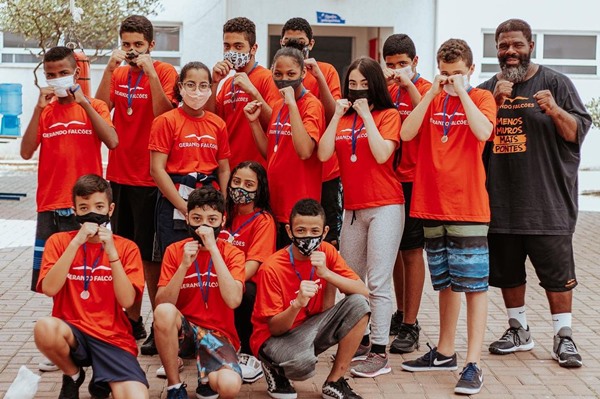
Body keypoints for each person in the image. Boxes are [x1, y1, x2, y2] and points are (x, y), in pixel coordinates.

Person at [479, 19, 591, 368]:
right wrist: (494, 103)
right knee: (509, 274)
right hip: (501, 203)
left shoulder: (556, 83)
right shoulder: (487, 89)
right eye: (502, 46)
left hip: (548, 203)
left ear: (530, 45)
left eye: (516, 45)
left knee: (557, 277)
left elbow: (576, 133)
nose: (510, 52)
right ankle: (518, 329)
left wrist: (555, 110)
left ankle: (564, 336)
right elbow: (473, 141)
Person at [399, 39, 495, 395]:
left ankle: (473, 362)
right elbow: (406, 132)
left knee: (474, 286)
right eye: (445, 72)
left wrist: (462, 93)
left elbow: (484, 132)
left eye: (458, 73)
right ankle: (444, 351)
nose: (451, 79)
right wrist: (430, 94)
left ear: (471, 70)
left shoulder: (482, 98)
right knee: (446, 284)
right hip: (431, 204)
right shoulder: (432, 97)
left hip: (467, 206)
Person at [95, 15, 179, 346]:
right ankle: (133, 320)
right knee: (123, 251)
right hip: (118, 176)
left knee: (149, 258)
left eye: (138, 45)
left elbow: (163, 114)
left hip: (148, 178)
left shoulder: (165, 72)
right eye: (127, 44)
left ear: (151, 46)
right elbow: (101, 107)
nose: (131, 51)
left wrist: (150, 73)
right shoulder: (117, 73)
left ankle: (160, 327)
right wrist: (107, 69)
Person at [318, 56, 404, 378]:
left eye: (364, 84)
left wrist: (367, 115)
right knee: (352, 280)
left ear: (375, 85)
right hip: (353, 210)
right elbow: (324, 154)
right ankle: (363, 340)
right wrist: (337, 115)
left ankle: (381, 351)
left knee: (378, 281)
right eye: (352, 84)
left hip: (385, 206)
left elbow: (383, 154)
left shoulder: (389, 115)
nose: (357, 90)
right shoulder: (343, 117)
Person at [33, 174, 148, 399]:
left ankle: (101, 379)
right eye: (83, 207)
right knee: (44, 328)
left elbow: (127, 301)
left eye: (98, 206)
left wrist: (112, 253)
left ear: (110, 209)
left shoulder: (127, 248)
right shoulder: (59, 242)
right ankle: (73, 374)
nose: (91, 212)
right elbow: (49, 288)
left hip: (112, 337)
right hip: (73, 333)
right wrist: (76, 242)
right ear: (74, 211)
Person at [21, 46, 118, 294]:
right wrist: (37, 109)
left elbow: (112, 141)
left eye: (63, 72)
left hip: (88, 206)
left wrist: (84, 104)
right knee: (53, 278)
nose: (56, 79)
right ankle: (63, 325)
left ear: (76, 73)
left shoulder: (95, 106)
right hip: (51, 204)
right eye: (50, 75)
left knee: (88, 274)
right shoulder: (46, 111)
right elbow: (25, 151)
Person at [251, 199, 370, 399]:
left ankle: (335, 381)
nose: (308, 237)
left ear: (324, 232)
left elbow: (362, 291)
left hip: (310, 327)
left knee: (359, 304)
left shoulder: (327, 252)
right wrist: (297, 304)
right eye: (301, 231)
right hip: (273, 339)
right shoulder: (271, 268)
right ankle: (273, 366)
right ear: (289, 232)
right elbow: (274, 328)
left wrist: (327, 274)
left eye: (315, 232)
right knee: (301, 367)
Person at [153, 186, 245, 399]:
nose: (204, 225)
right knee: (165, 312)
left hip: (218, 334)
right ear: (187, 219)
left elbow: (233, 300)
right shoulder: (175, 251)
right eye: (197, 218)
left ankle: (206, 379)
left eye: (212, 219)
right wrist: (184, 266)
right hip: (185, 330)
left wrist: (213, 249)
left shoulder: (232, 253)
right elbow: (160, 304)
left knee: (230, 387)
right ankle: (174, 386)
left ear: (222, 221)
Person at [149, 61, 231, 260]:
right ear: (180, 87)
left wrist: (224, 204)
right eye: (191, 85)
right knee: (176, 257)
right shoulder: (165, 121)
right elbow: (157, 170)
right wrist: (183, 207)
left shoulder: (217, 123)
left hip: (210, 200)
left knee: (208, 258)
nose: (197, 91)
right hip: (175, 198)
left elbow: (223, 169)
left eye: (203, 85)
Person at [244, 47, 324, 248]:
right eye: (278, 74)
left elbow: (305, 151)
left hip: (299, 207)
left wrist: (293, 106)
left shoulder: (311, 105)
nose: (284, 79)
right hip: (275, 203)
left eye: (291, 74)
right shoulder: (279, 105)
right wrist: (254, 123)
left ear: (303, 74)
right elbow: (270, 153)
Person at [381, 33, 431, 354]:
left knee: (413, 252)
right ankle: (399, 315)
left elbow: (424, 120)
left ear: (414, 62)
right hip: (387, 179)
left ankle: (411, 324)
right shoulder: (384, 88)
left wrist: (407, 84)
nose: (397, 70)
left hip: (415, 179)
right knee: (395, 252)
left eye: (402, 64)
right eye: (390, 65)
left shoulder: (425, 88)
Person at [280, 17, 343, 249]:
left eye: (300, 42)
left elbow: (334, 112)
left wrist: (318, 77)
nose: (294, 46)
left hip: (326, 169)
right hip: (294, 170)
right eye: (288, 42)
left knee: (327, 238)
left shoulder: (325, 70)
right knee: (293, 234)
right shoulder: (280, 71)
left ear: (311, 44)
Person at [222, 161, 276, 382]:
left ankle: (248, 353)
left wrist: (228, 285)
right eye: (236, 182)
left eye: (248, 184)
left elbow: (254, 263)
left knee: (246, 292)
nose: (240, 188)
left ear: (259, 189)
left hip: (246, 287)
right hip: (224, 282)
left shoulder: (263, 220)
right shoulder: (225, 214)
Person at [207, 16, 281, 169]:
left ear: (253, 49)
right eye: (227, 46)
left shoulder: (268, 78)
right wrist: (214, 83)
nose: (231, 52)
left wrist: (252, 91)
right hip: (230, 168)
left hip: (259, 170)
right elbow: (212, 121)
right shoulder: (227, 82)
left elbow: (276, 125)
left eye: (238, 46)